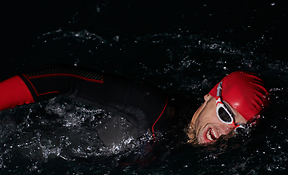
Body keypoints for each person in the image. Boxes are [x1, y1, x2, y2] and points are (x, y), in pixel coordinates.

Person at [0, 63, 269, 151]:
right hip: (37, 149)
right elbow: (66, 79)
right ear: (210, 95)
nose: (224, 131)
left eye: (238, 127)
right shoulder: (153, 109)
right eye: (225, 114)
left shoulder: (214, 149)